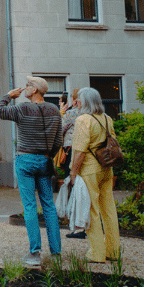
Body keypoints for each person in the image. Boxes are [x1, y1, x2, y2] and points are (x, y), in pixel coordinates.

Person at [0, 76, 63, 266]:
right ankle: (56, 253)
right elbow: (58, 141)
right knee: (48, 205)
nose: (24, 88)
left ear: (35, 90)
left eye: (28, 86)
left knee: (30, 206)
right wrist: (49, 155)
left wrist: (8, 95)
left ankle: (35, 253)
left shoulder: (23, 109)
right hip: (45, 161)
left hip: (25, 159)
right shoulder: (54, 110)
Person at [68, 87, 121, 264]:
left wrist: (73, 172)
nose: (78, 102)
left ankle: (97, 253)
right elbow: (113, 141)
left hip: (89, 170)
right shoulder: (107, 118)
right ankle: (113, 251)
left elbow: (79, 150)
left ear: (86, 102)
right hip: (107, 168)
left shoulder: (83, 119)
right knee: (109, 210)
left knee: (92, 211)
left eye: (80, 99)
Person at [59, 89, 89, 238]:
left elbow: (59, 130)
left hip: (72, 152)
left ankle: (77, 226)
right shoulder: (91, 115)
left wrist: (61, 112)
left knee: (73, 184)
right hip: (88, 155)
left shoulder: (72, 114)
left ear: (76, 100)